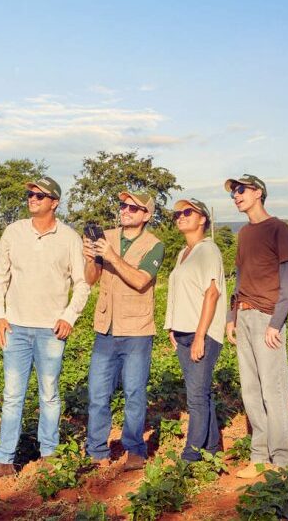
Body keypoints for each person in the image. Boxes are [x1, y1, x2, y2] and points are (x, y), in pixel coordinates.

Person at [0, 176, 90, 482]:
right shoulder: (13, 233)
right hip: (16, 328)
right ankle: (3, 460)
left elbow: (82, 284)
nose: (32, 198)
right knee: (12, 394)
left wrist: (69, 317)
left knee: (49, 394)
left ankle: (49, 455)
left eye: (40, 195)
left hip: (51, 330)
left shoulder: (69, 238)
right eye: (30, 193)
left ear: (54, 202)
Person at [223, 174, 288, 478]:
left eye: (240, 190)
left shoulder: (279, 229)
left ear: (258, 192)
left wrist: (276, 323)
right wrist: (232, 316)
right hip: (245, 316)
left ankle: (281, 461)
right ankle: (258, 456)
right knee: (251, 391)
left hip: (269, 319)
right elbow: (240, 277)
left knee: (274, 390)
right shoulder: (243, 234)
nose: (236, 196)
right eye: (233, 193)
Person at [83, 192, 165, 471]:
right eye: (123, 205)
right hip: (105, 327)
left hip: (137, 330)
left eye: (133, 207)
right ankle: (96, 450)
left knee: (134, 393)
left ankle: (134, 449)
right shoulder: (105, 237)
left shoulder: (154, 245)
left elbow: (141, 281)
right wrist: (91, 258)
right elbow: (90, 279)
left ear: (146, 215)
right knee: (97, 393)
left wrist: (112, 257)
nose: (126, 210)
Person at [164, 198, 227, 462]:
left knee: (196, 397)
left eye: (187, 212)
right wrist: (171, 325)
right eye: (177, 213)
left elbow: (211, 294)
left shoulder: (208, 250)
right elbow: (179, 292)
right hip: (183, 333)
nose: (181, 216)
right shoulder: (183, 253)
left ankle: (191, 455)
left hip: (202, 334)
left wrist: (200, 335)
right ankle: (212, 447)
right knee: (202, 393)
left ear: (202, 219)